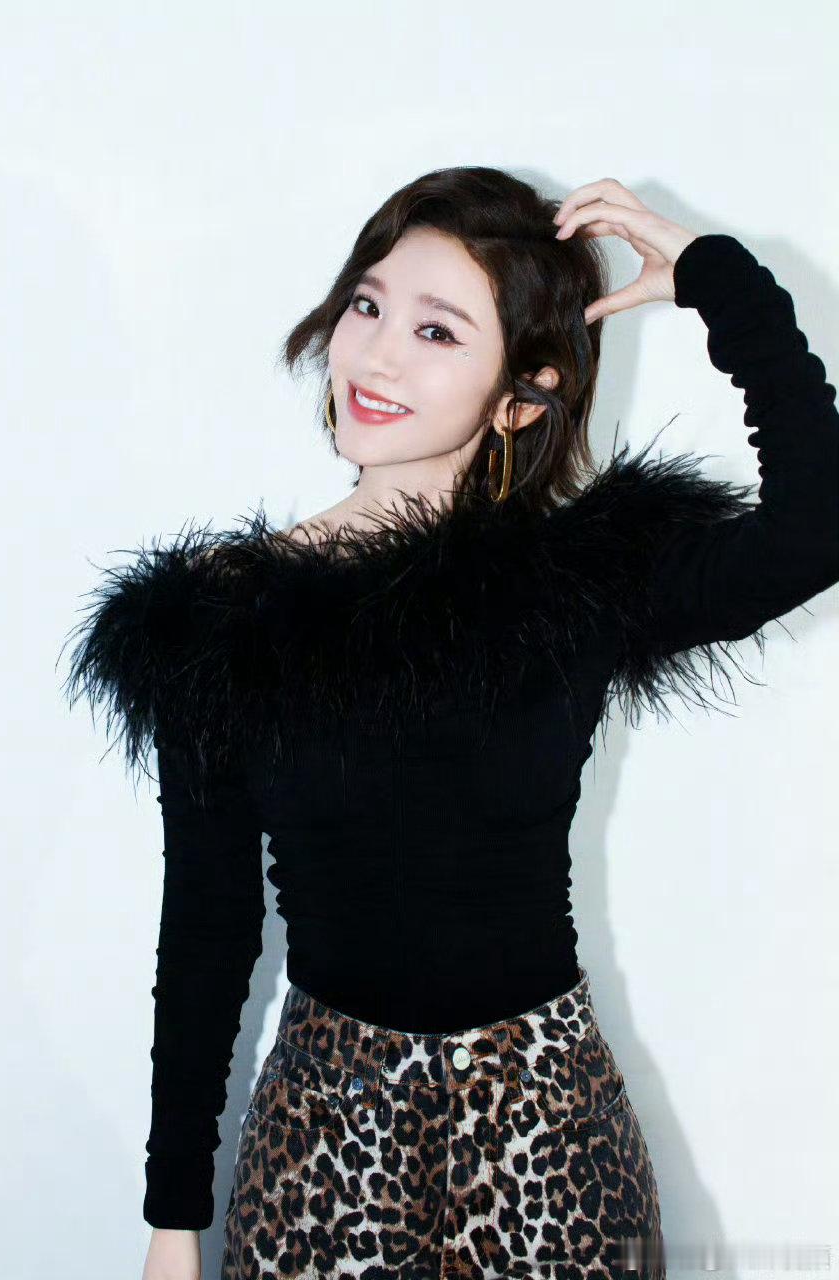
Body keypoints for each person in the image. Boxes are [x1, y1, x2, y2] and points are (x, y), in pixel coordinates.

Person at [60, 170, 839, 1280]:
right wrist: (172, 1215)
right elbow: (209, 921)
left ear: (522, 396)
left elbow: (819, 526)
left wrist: (722, 280)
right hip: (322, 1150)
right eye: (367, 305)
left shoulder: (577, 583)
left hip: (553, 1144)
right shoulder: (225, 617)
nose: (376, 356)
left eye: (436, 330)